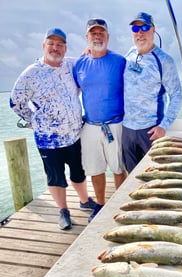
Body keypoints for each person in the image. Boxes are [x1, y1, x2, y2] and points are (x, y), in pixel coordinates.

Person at [9, 28, 97, 230]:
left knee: (79, 173)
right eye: (51, 44)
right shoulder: (30, 73)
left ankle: (84, 201)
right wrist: (33, 121)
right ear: (44, 46)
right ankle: (63, 210)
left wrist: (89, 48)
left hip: (75, 135)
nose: (55, 48)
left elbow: (88, 56)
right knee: (56, 177)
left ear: (65, 48)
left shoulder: (70, 64)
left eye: (60, 45)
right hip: (48, 140)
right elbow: (15, 102)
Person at [73, 19, 127, 220]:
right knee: (95, 168)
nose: (97, 36)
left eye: (101, 33)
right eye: (93, 33)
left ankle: (121, 203)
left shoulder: (120, 61)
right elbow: (74, 91)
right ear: (87, 38)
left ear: (108, 36)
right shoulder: (79, 63)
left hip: (116, 124)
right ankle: (101, 204)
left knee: (118, 167)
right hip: (91, 126)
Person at [122, 12, 182, 173]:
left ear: (153, 30)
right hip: (127, 130)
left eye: (144, 27)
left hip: (150, 131)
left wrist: (163, 126)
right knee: (131, 176)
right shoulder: (129, 54)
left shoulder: (164, 60)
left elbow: (177, 95)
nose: (140, 32)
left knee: (155, 177)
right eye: (136, 28)